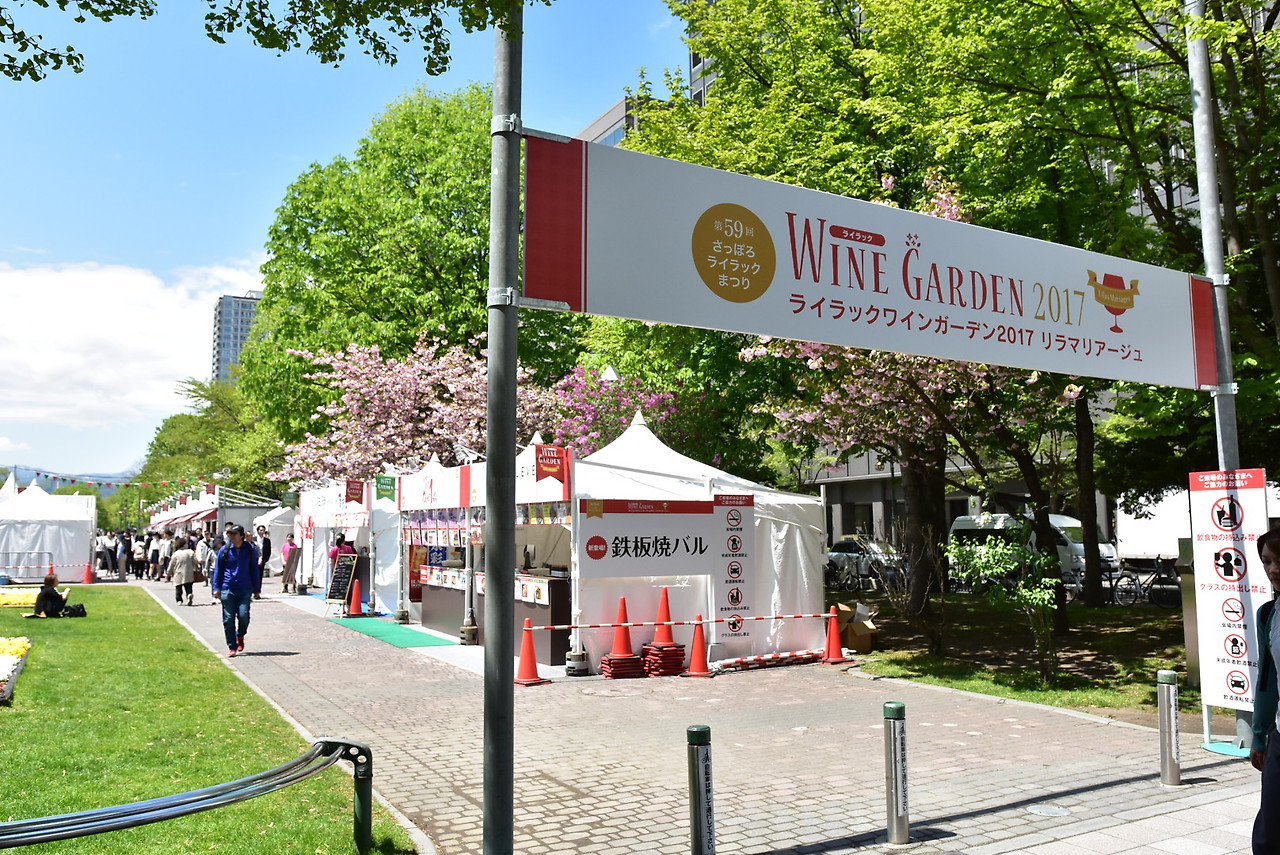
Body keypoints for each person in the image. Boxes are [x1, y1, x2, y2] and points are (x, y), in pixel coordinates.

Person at [1252, 525, 1280, 852]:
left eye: (1279, 560)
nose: (1273, 569)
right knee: (1269, 836)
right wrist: (1259, 735)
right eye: (1266, 561)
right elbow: (1267, 681)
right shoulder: (1268, 615)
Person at [212, 525, 260, 657]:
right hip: (228, 588)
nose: (231, 536)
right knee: (228, 619)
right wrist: (216, 588)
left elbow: (254, 569)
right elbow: (218, 570)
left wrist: (257, 588)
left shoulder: (249, 549)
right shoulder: (225, 550)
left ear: (241, 536)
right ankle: (232, 646)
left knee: (244, 615)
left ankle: (240, 634)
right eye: (230, 534)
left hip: (245, 588)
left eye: (234, 534)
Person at [170, 534, 198, 606]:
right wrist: (196, 568)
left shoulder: (175, 554)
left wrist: (169, 572)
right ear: (184, 545)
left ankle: (179, 600)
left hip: (178, 572)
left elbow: (172, 564)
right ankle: (189, 594)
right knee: (188, 586)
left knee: (178, 587)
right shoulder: (190, 552)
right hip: (189, 572)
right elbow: (195, 561)